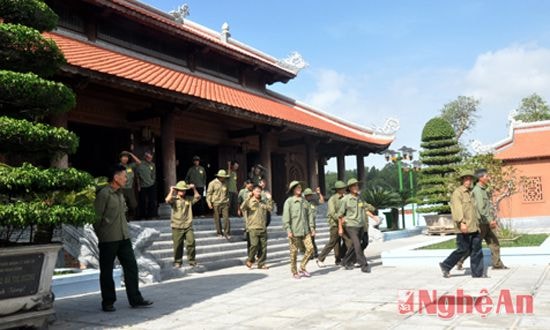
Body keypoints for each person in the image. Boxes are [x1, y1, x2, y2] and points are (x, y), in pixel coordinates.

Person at [94, 164, 153, 312]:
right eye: (124, 176)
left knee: (131, 267)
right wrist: (103, 235)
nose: (126, 178)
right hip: (108, 239)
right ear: (115, 177)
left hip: (124, 237)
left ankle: (136, 299)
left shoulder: (120, 194)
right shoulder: (104, 194)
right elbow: (96, 218)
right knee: (107, 271)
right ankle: (108, 301)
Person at [456, 169, 508, 271]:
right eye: (487, 176)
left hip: (486, 222)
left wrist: (490, 219)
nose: (488, 178)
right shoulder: (477, 190)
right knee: (474, 246)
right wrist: (490, 220)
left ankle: (497, 264)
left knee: (494, 243)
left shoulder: (484, 189)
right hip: (480, 223)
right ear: (481, 178)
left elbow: (487, 207)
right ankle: (460, 260)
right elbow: (481, 208)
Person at [439, 170, 484, 278]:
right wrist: (462, 223)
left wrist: (479, 223)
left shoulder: (471, 192)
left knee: (477, 250)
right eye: (466, 179)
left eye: (470, 179)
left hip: (474, 226)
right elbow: (457, 209)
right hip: (464, 226)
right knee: (463, 249)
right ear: (462, 180)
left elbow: (474, 210)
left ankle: (477, 273)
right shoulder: (457, 193)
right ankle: (446, 265)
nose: (468, 181)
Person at [282, 180, 315, 279]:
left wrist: (312, 228)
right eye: (297, 188)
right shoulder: (289, 202)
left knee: (310, 249)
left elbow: (310, 215)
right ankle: (294, 271)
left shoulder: (305, 202)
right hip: (294, 231)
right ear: (293, 190)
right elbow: (286, 217)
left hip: (305, 231)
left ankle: (302, 267)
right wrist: (288, 230)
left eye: (300, 188)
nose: (299, 189)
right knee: (294, 253)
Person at [338, 178, 371, 273]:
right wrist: (340, 228)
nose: (356, 187)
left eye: (357, 185)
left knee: (354, 246)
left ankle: (345, 261)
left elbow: (365, 207)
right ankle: (364, 265)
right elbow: (340, 215)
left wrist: (373, 211)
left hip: (360, 225)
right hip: (351, 225)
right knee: (357, 245)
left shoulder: (360, 198)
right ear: (350, 188)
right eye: (353, 186)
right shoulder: (345, 199)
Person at [165, 181, 201, 268]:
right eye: (181, 190)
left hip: (188, 225)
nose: (183, 192)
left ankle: (192, 261)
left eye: (184, 190)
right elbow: (167, 200)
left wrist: (194, 188)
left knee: (191, 242)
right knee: (177, 245)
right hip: (177, 225)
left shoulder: (188, 198)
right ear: (177, 190)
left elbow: (198, 197)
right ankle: (178, 262)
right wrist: (171, 190)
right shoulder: (174, 199)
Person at [240, 185, 273, 270]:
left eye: (260, 191)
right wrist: (248, 198)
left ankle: (261, 264)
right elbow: (242, 207)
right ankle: (250, 259)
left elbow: (270, 208)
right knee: (254, 245)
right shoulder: (250, 201)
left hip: (262, 227)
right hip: (253, 227)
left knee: (263, 248)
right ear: (253, 192)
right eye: (257, 191)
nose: (258, 192)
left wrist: (269, 199)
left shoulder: (263, 202)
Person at [317, 180, 346, 267]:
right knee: (333, 242)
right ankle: (320, 258)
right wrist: (341, 219)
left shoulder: (345, 198)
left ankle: (338, 260)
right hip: (334, 223)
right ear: (338, 189)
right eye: (342, 188)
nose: (344, 190)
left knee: (338, 242)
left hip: (343, 223)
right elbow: (333, 213)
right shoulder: (332, 199)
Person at [206, 169, 231, 239]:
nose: (224, 178)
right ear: (219, 176)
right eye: (222, 177)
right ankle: (219, 233)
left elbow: (227, 193)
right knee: (217, 219)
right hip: (216, 203)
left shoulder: (226, 183)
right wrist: (209, 202)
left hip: (224, 202)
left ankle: (227, 233)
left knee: (226, 218)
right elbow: (209, 194)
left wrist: (228, 201)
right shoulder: (212, 183)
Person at [303, 187, 325, 259]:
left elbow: (322, 201)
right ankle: (310, 253)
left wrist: (319, 194)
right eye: (308, 195)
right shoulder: (302, 203)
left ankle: (315, 253)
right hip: (305, 223)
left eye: (310, 195)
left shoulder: (313, 202)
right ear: (305, 196)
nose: (310, 196)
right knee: (307, 239)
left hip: (313, 223)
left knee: (312, 239)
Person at [119, 151, 141, 221]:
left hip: (129, 188)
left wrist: (131, 154)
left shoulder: (130, 166)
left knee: (133, 204)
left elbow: (139, 162)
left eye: (126, 157)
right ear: (120, 158)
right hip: (121, 188)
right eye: (123, 157)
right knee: (122, 204)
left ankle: (130, 216)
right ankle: (124, 218)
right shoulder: (118, 166)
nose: (125, 159)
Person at [137, 151, 157, 219]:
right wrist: (138, 185)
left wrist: (153, 181)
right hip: (142, 185)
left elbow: (153, 174)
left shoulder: (152, 165)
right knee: (142, 201)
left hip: (151, 185)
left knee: (152, 200)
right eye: (148, 157)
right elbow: (137, 176)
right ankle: (142, 216)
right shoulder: (140, 164)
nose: (149, 158)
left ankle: (151, 215)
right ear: (145, 157)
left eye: (150, 157)